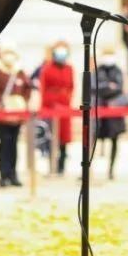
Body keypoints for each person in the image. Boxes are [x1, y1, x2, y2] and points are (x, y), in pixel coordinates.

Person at [0, 40, 32, 187]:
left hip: (17, 113)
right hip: (3, 113)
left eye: (11, 53)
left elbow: (27, 88)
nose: (9, 57)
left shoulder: (19, 72)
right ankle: (3, 174)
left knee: (14, 144)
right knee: (4, 143)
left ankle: (13, 174)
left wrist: (23, 101)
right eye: (6, 53)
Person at [39, 40, 75, 174]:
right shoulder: (47, 69)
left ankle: (62, 165)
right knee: (51, 137)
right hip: (50, 107)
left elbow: (71, 87)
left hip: (65, 107)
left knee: (64, 139)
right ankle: (52, 165)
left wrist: (66, 101)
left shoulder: (69, 68)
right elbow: (44, 89)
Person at [94, 48, 128, 179]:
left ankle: (111, 170)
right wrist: (109, 86)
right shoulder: (98, 70)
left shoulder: (117, 70)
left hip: (114, 112)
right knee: (93, 141)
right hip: (100, 111)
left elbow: (119, 87)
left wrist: (105, 88)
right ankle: (89, 170)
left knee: (114, 141)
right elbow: (94, 87)